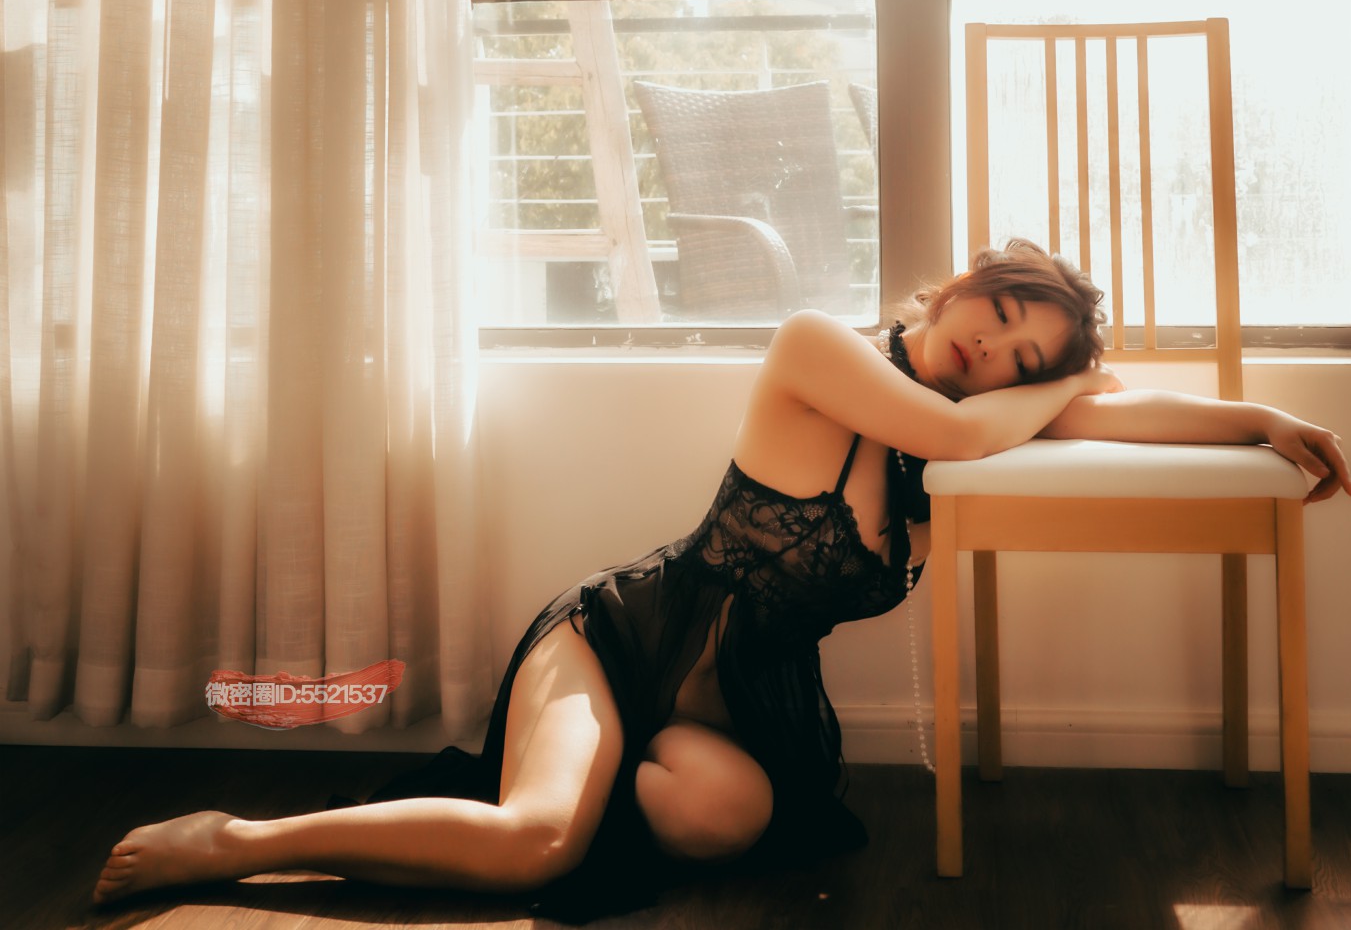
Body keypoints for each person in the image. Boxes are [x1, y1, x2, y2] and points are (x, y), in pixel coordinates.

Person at [92, 239, 1350, 918]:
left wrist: (1259, 420)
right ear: (968, 278)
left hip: (743, 700)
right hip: (622, 640)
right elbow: (974, 430)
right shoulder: (821, 348)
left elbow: (1094, 423)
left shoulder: (967, 428)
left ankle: (587, 798)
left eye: (1021, 357)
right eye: (1004, 313)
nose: (994, 347)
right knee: (537, 844)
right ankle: (236, 843)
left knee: (722, 822)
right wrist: (1059, 387)